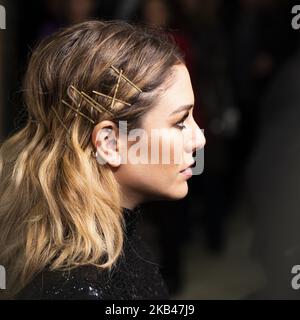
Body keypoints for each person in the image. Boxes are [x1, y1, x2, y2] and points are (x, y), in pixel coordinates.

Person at [0, 20, 205, 299]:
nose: (199, 139)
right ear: (109, 143)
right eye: (180, 121)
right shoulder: (75, 289)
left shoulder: (121, 247)